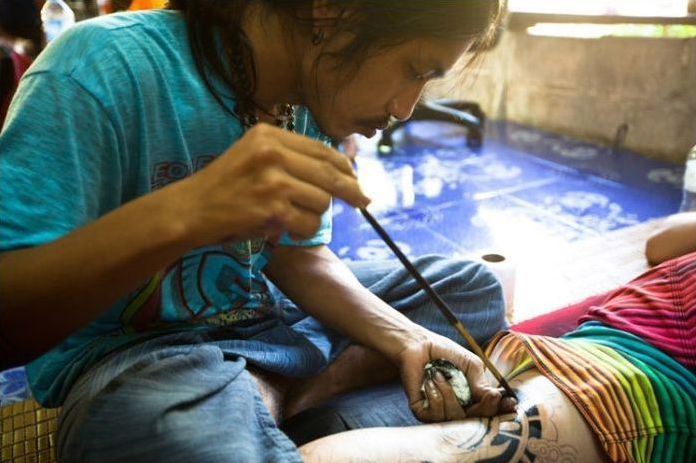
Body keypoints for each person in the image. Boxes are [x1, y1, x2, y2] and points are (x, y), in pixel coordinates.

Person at [0, 1, 514, 462]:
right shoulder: (101, 67)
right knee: (161, 433)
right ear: (334, 12)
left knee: (472, 290)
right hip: (143, 355)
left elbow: (297, 257)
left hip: (261, 316)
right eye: (414, 70)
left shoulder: (309, 95)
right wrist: (187, 210)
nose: (405, 108)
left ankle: (273, 394)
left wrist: (406, 339)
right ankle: (278, 400)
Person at [285, 251, 696, 463]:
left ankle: (279, 381)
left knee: (455, 445)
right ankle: (283, 384)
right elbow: (660, 243)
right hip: (592, 363)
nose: (404, 109)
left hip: (617, 371)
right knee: (478, 286)